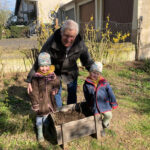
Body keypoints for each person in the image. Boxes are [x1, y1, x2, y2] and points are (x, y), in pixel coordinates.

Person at [27, 19, 94, 107]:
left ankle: (71, 111)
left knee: (72, 93)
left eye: (72, 37)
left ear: (76, 35)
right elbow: (39, 61)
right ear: (61, 33)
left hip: (71, 71)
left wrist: (94, 72)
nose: (69, 39)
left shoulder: (79, 43)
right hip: (56, 72)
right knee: (56, 93)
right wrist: (30, 79)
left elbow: (87, 59)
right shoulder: (52, 42)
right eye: (66, 35)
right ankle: (58, 112)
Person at [28, 52, 60, 142]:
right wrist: (35, 104)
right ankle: (40, 133)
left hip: (49, 101)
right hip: (40, 103)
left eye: (46, 66)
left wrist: (55, 89)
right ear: (39, 66)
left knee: (46, 118)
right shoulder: (36, 78)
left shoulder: (52, 75)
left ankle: (46, 131)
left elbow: (57, 83)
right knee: (39, 119)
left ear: (49, 65)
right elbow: (33, 92)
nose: (44, 68)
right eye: (42, 66)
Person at [83, 62, 118, 136]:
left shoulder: (104, 82)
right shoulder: (87, 83)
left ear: (100, 74)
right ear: (90, 72)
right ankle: (99, 131)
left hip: (104, 104)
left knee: (109, 115)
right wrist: (89, 105)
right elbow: (86, 95)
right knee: (97, 119)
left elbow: (111, 93)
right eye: (93, 72)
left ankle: (104, 125)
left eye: (97, 73)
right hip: (94, 106)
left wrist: (113, 103)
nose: (95, 75)